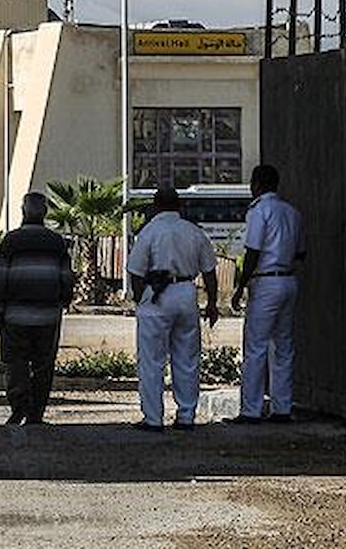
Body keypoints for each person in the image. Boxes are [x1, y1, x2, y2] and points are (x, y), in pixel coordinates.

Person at [127, 186, 219, 432]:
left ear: (155, 206)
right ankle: (186, 415)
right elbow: (209, 270)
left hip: (158, 294)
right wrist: (212, 303)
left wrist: (140, 299)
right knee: (187, 358)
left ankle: (153, 418)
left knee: (152, 360)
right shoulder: (193, 231)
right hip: (187, 292)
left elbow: (135, 271)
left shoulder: (150, 231)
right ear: (179, 206)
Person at [228, 163, 306, 425]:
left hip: (266, 283)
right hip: (288, 281)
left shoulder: (259, 210)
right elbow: (301, 253)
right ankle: (281, 408)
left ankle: (251, 409)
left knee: (256, 346)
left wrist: (240, 286)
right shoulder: (292, 212)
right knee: (283, 346)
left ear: (257, 184)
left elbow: (253, 251)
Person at [0, 191, 75, 425]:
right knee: (43, 365)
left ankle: (18, 408)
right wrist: (63, 302)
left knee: (15, 363)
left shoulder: (11, 241)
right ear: (45, 213)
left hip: (15, 316)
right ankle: (36, 414)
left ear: (23, 211)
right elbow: (66, 278)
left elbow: (1, 278)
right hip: (48, 315)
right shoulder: (56, 242)